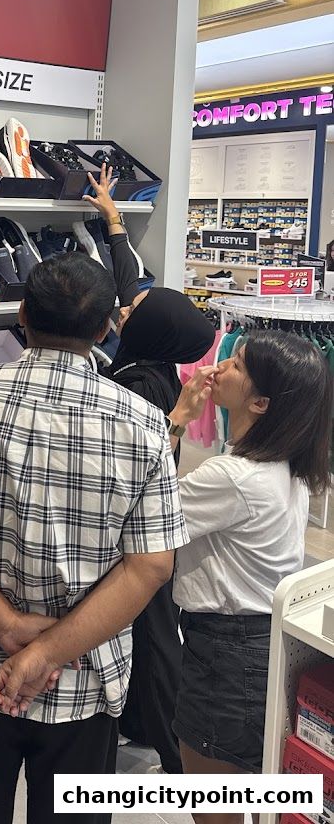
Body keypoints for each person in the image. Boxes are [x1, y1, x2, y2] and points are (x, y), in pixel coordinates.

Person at [0, 252, 190, 824]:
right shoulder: (144, 422)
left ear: (22, 314)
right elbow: (151, 567)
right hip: (87, 670)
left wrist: (11, 630)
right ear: (106, 327)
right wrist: (50, 653)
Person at [84, 166, 216, 773]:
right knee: (146, 631)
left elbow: (150, 465)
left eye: (132, 310)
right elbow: (130, 282)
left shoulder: (140, 383)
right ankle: (145, 723)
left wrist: (175, 419)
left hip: (139, 531)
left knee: (156, 634)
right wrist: (112, 215)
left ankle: (172, 751)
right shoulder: (154, 356)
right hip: (137, 528)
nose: (121, 308)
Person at [173, 331, 332, 822]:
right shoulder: (288, 467)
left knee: (210, 802)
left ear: (261, 402)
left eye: (236, 365)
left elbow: (147, 512)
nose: (220, 366)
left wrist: (178, 417)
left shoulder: (232, 476)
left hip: (225, 652)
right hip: (258, 644)